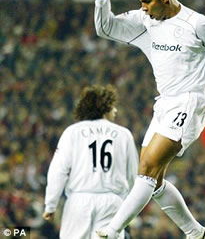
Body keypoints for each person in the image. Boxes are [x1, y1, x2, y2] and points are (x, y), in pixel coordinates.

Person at [94, 0, 205, 239]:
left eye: (147, 2)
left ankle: (113, 231)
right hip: (163, 105)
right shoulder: (145, 21)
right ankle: (196, 232)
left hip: (190, 102)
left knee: (148, 169)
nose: (143, 7)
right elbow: (105, 28)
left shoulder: (198, 24)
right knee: (154, 179)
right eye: (140, 2)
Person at [43, 85, 139, 239]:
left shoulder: (72, 132)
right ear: (105, 107)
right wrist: (130, 209)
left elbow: (58, 171)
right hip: (112, 203)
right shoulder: (124, 134)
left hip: (78, 202)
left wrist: (50, 204)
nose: (116, 111)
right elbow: (133, 177)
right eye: (113, 106)